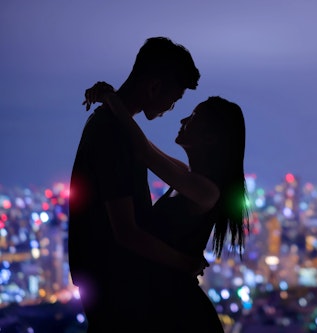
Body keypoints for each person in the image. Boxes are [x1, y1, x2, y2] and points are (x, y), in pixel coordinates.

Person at [83, 81, 249, 332]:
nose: (184, 119)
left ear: (210, 137)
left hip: (180, 313)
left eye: (194, 117)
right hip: (165, 305)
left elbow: (145, 153)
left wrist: (112, 99)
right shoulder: (185, 178)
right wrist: (114, 103)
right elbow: (145, 147)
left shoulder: (206, 190)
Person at [69, 37, 203, 333]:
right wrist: (184, 263)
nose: (172, 108)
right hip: (116, 283)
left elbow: (145, 149)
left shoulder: (111, 126)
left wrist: (112, 99)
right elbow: (126, 232)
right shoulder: (113, 134)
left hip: (108, 279)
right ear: (154, 87)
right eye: (175, 98)